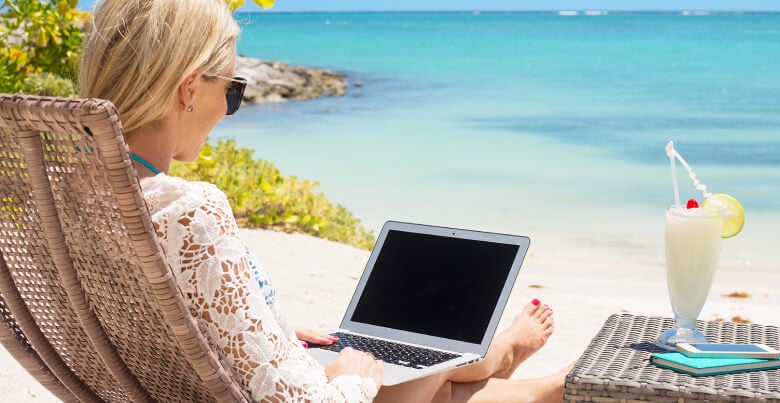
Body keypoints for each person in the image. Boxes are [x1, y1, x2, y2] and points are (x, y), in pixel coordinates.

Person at [79, 0, 571, 401]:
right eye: (232, 91)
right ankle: (524, 371)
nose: (228, 111)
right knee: (427, 369)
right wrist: (353, 378)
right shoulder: (187, 210)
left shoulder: (74, 197)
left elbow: (158, 326)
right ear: (189, 88)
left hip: (189, 385)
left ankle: (521, 373)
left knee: (427, 374)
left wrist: (263, 333)